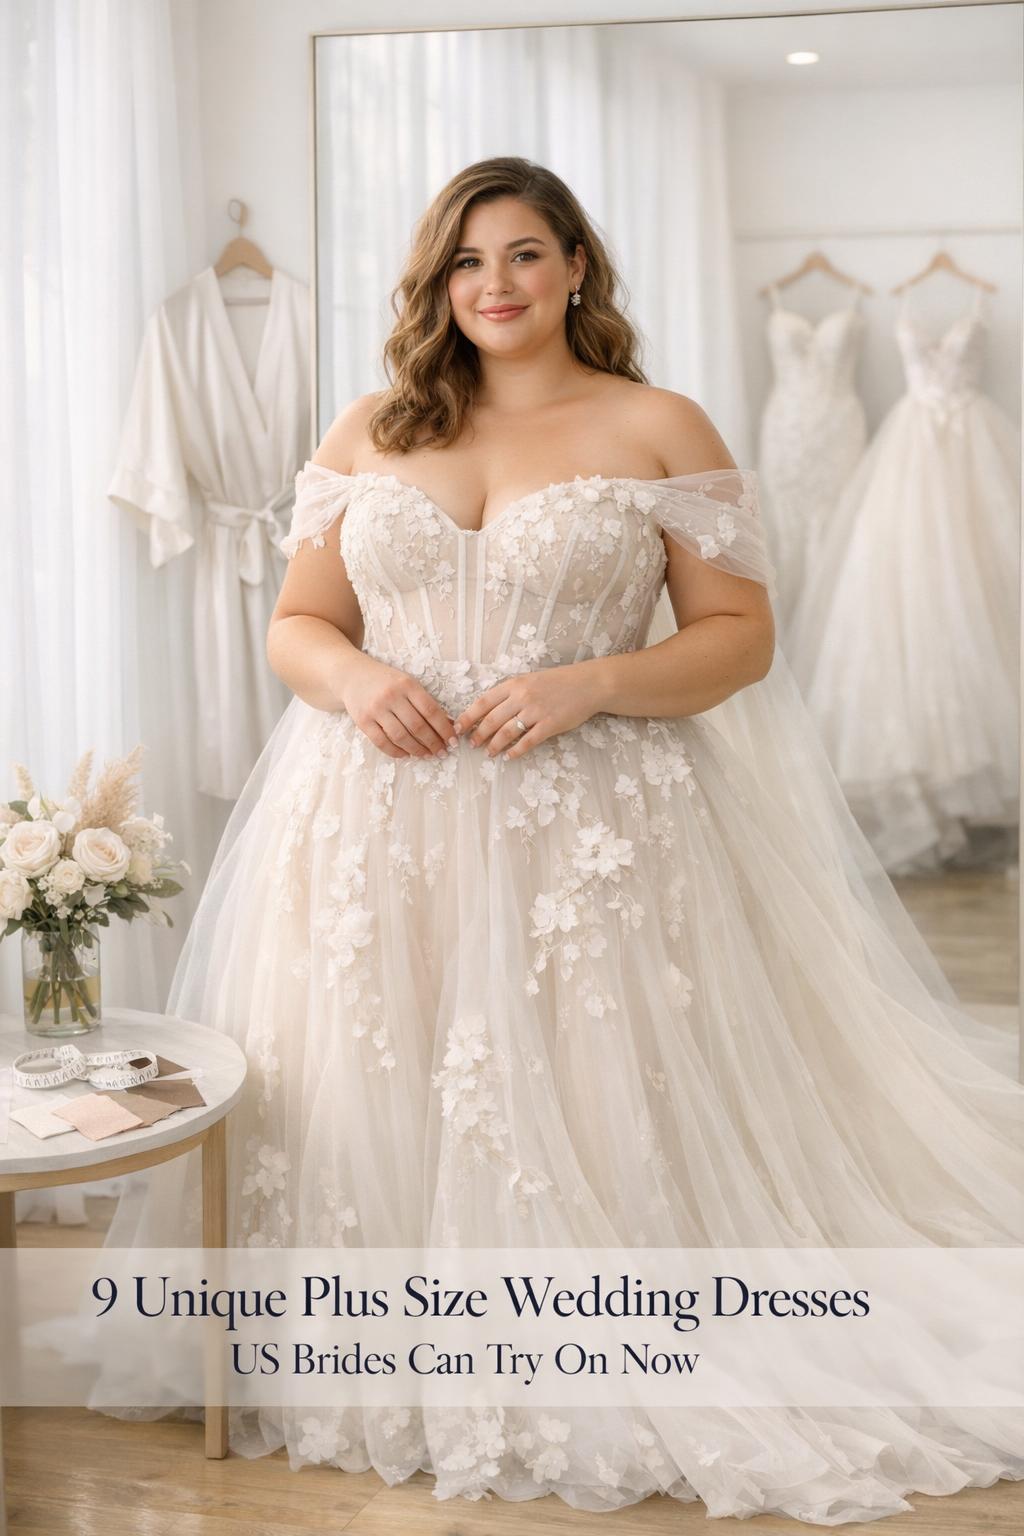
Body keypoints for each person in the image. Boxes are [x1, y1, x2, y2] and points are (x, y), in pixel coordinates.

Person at [97, 156, 1024, 1524]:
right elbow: (298, 625)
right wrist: (355, 677)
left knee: (593, 1085)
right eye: (468, 262)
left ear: (576, 265)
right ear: (436, 283)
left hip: (594, 829)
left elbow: (740, 638)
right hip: (370, 823)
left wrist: (591, 682)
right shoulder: (371, 428)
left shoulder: (657, 424)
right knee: (376, 1077)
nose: (497, 285)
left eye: (525, 254)